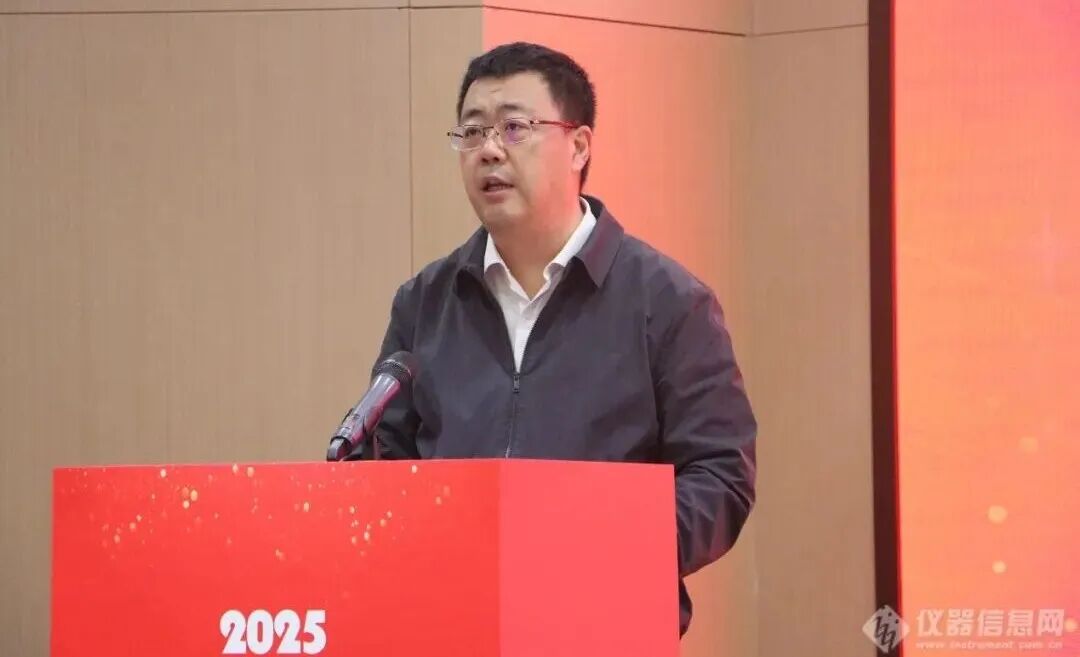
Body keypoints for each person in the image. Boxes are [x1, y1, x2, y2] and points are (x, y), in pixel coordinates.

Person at [361, 41, 756, 637]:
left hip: (604, 626)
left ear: (579, 146)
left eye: (514, 127)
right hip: (453, 625)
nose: (489, 149)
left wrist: (598, 549)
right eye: (472, 131)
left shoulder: (669, 302)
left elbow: (720, 476)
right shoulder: (424, 303)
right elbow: (384, 463)